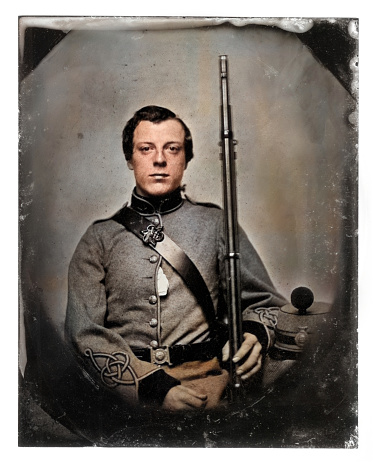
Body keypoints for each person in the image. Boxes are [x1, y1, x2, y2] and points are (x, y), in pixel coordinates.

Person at [65, 105, 287, 412]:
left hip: (208, 389)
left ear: (186, 158)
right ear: (130, 159)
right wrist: (150, 388)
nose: (159, 159)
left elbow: (266, 303)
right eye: (146, 149)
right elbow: (83, 331)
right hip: (128, 395)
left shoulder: (216, 225)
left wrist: (255, 333)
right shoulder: (99, 238)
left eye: (172, 148)